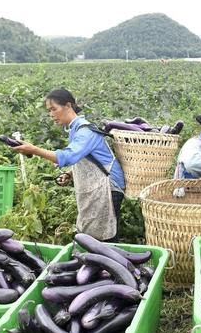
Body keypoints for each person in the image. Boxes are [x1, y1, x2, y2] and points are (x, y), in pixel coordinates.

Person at [12, 88, 125, 242]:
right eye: (49, 110)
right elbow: (85, 158)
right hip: (98, 186)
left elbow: (67, 156)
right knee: (92, 236)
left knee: (105, 237)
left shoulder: (85, 131)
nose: (51, 114)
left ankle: (113, 264)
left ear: (68, 106)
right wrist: (70, 174)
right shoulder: (75, 129)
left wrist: (33, 149)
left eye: (54, 109)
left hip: (108, 187)